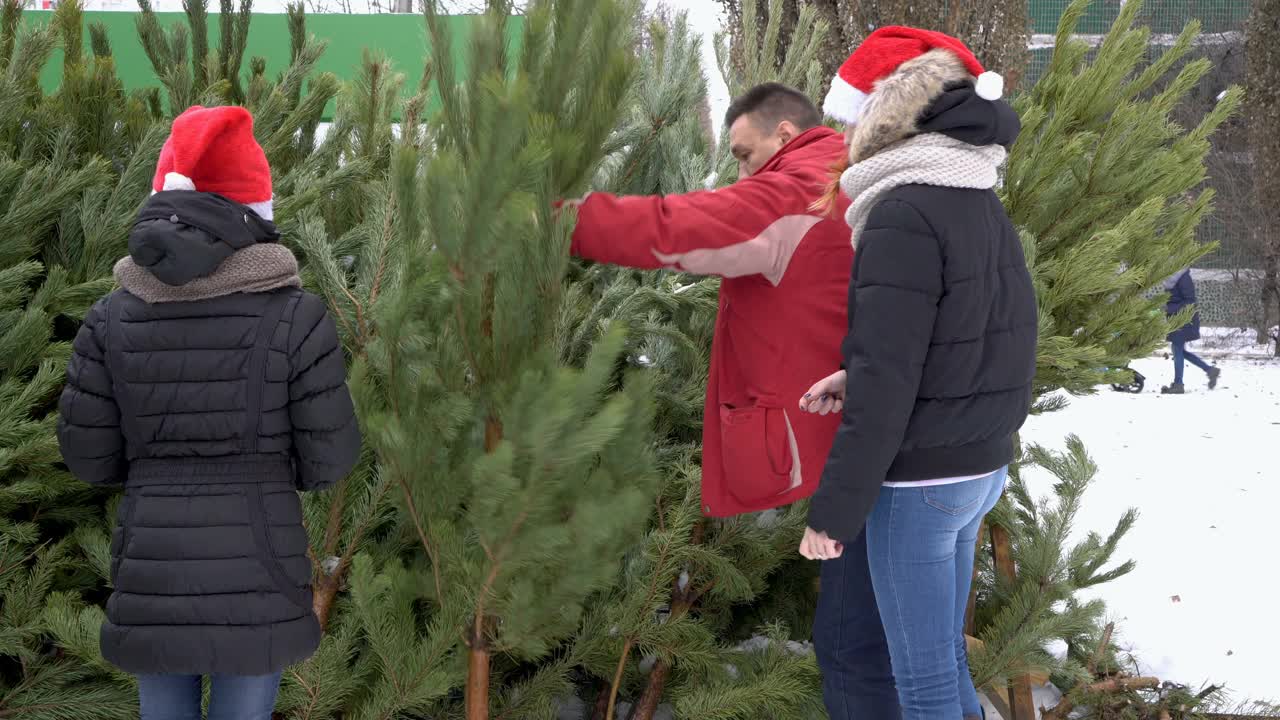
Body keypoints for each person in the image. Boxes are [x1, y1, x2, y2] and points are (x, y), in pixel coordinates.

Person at [57, 106, 361, 720]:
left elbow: (89, 458)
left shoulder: (112, 315)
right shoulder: (296, 316)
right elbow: (330, 459)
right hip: (260, 562)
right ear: (254, 213)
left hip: (154, 567)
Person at [795, 29, 1037, 720]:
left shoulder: (902, 209)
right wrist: (855, 374)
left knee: (922, 679)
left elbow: (889, 376)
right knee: (940, 666)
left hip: (922, 481)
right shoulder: (973, 193)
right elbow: (988, 335)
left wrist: (834, 515)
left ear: (883, 118)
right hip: (976, 468)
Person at [565, 83, 853, 516]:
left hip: (798, 452)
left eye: (744, 155)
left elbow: (675, 227)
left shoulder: (790, 196)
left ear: (785, 135)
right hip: (852, 435)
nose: (741, 174)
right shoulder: (849, 178)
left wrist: (564, 221)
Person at [1161, 268, 1219, 394]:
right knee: (1178, 350)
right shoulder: (1170, 277)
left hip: (1185, 318)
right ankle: (1209, 370)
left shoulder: (1183, 277)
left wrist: (1168, 308)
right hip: (1175, 318)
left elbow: (1190, 301)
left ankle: (1178, 384)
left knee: (1177, 349)